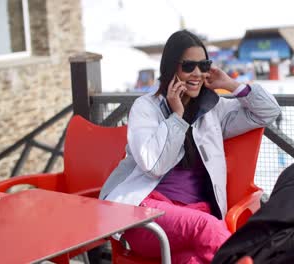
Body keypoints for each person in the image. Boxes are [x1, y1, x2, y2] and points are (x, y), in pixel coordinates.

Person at [99, 29, 281, 263]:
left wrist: (231, 84)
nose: (197, 73)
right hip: (145, 215)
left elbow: (269, 111)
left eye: (203, 65)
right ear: (170, 68)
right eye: (188, 66)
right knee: (206, 228)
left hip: (195, 214)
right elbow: (153, 166)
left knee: (194, 259)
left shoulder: (213, 109)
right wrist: (177, 118)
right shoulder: (146, 108)